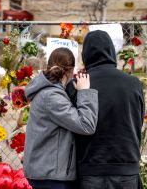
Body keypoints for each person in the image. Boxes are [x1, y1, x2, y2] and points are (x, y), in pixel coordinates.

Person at [66, 30, 145, 189]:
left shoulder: (76, 85)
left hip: (90, 167)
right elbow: (139, 120)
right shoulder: (133, 84)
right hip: (126, 166)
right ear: (111, 51)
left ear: (85, 54)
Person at [23, 47, 98, 189]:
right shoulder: (52, 97)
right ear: (70, 71)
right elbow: (86, 125)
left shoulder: (49, 92)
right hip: (51, 175)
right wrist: (85, 92)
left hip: (47, 172)